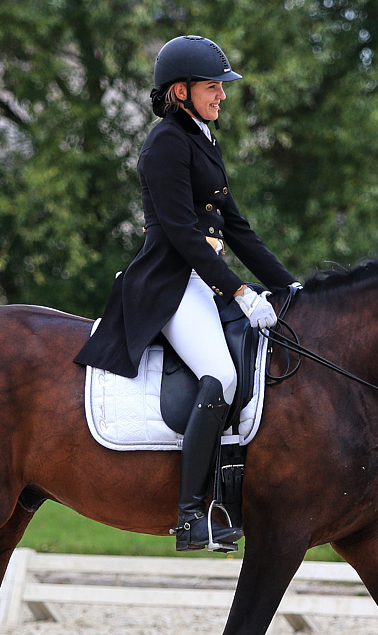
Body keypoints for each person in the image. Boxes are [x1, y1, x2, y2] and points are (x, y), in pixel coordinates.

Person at [75, 35, 299, 552]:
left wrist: (289, 285)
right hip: (169, 284)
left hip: (203, 280)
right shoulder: (166, 144)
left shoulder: (201, 137)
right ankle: (192, 514)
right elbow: (180, 233)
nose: (222, 96)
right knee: (218, 375)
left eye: (221, 87)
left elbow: (236, 228)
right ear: (181, 91)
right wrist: (241, 291)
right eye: (213, 87)